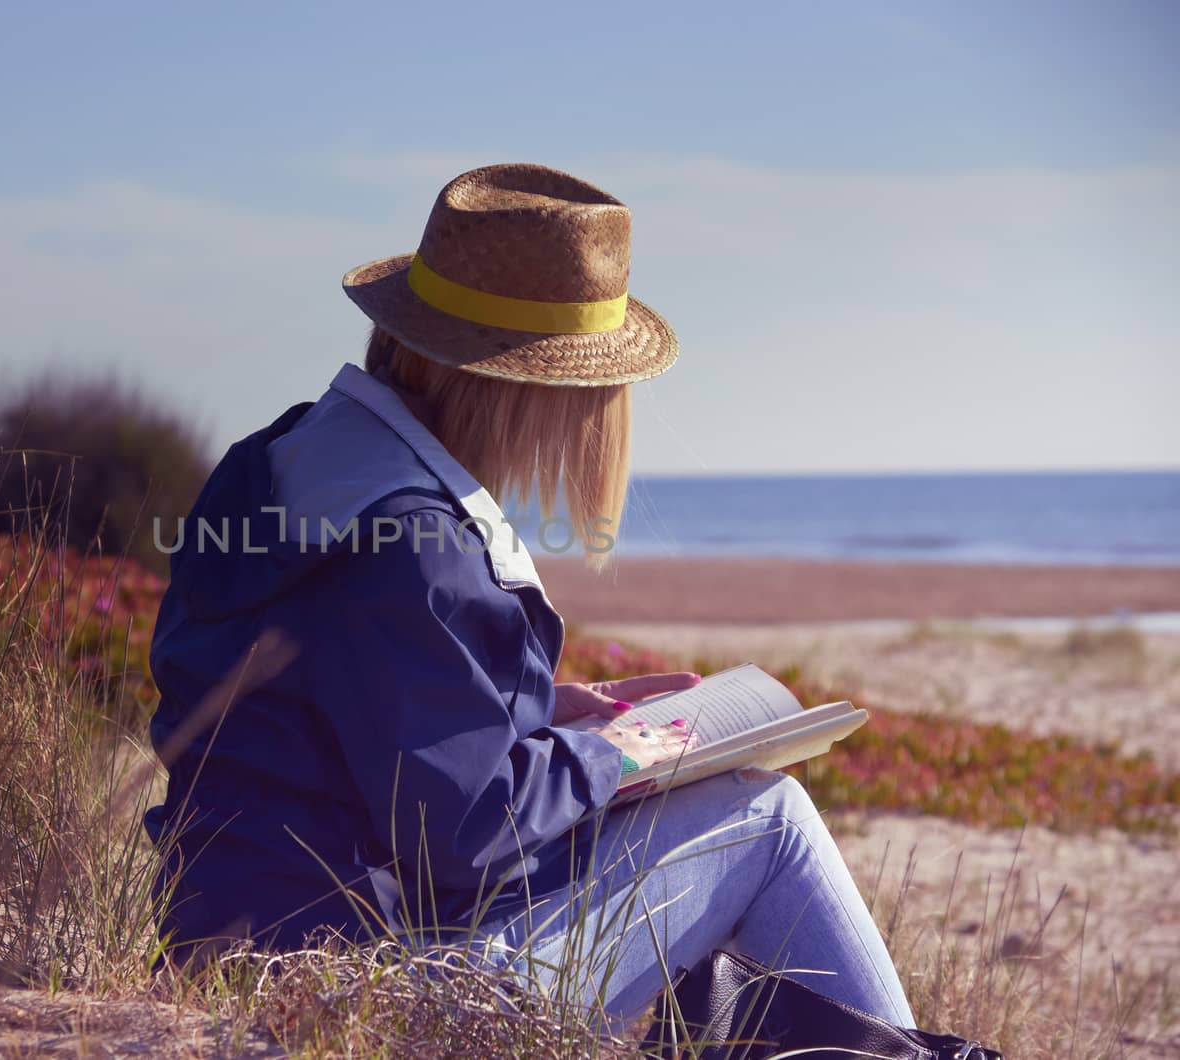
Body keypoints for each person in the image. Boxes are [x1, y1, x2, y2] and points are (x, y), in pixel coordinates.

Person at [143, 163, 915, 1031]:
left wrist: (538, 721)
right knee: (766, 818)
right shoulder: (419, 544)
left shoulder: (278, 464)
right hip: (368, 995)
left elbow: (332, 723)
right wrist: (621, 754)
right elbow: (465, 834)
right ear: (531, 390)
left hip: (227, 947)